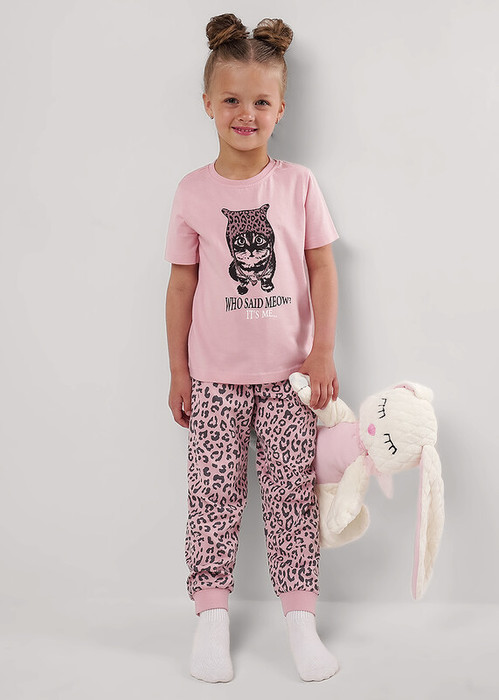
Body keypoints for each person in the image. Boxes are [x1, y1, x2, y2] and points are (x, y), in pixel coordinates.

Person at [164, 13, 340, 683]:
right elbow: (182, 285)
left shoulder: (298, 185)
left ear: (281, 109)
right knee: (212, 496)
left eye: (261, 101)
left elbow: (322, 267)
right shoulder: (193, 191)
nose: (246, 113)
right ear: (208, 104)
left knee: (293, 496)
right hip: (213, 379)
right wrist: (178, 370)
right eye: (232, 99)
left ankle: (300, 620)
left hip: (291, 377)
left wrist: (322, 352)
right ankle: (211, 617)